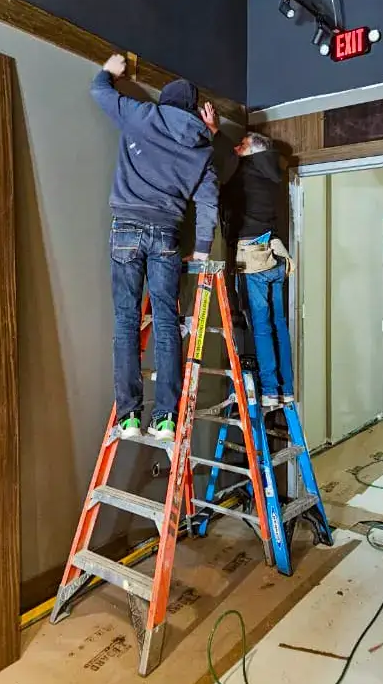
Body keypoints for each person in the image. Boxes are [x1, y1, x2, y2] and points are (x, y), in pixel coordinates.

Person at [91, 55, 218, 441]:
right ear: (196, 110)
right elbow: (209, 202)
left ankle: (128, 417)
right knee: (166, 323)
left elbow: (99, 91)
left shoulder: (142, 116)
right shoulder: (202, 146)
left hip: (126, 227)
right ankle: (165, 419)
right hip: (167, 234)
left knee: (127, 321)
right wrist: (200, 251)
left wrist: (111, 69)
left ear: (164, 100)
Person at [200, 103, 294, 409]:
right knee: (278, 323)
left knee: (262, 326)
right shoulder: (269, 172)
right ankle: (286, 388)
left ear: (252, 152)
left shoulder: (248, 169)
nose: (237, 148)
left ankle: (269, 389)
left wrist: (214, 129)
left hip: (252, 258)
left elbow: (229, 156)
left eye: (242, 145)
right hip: (274, 256)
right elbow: (234, 156)